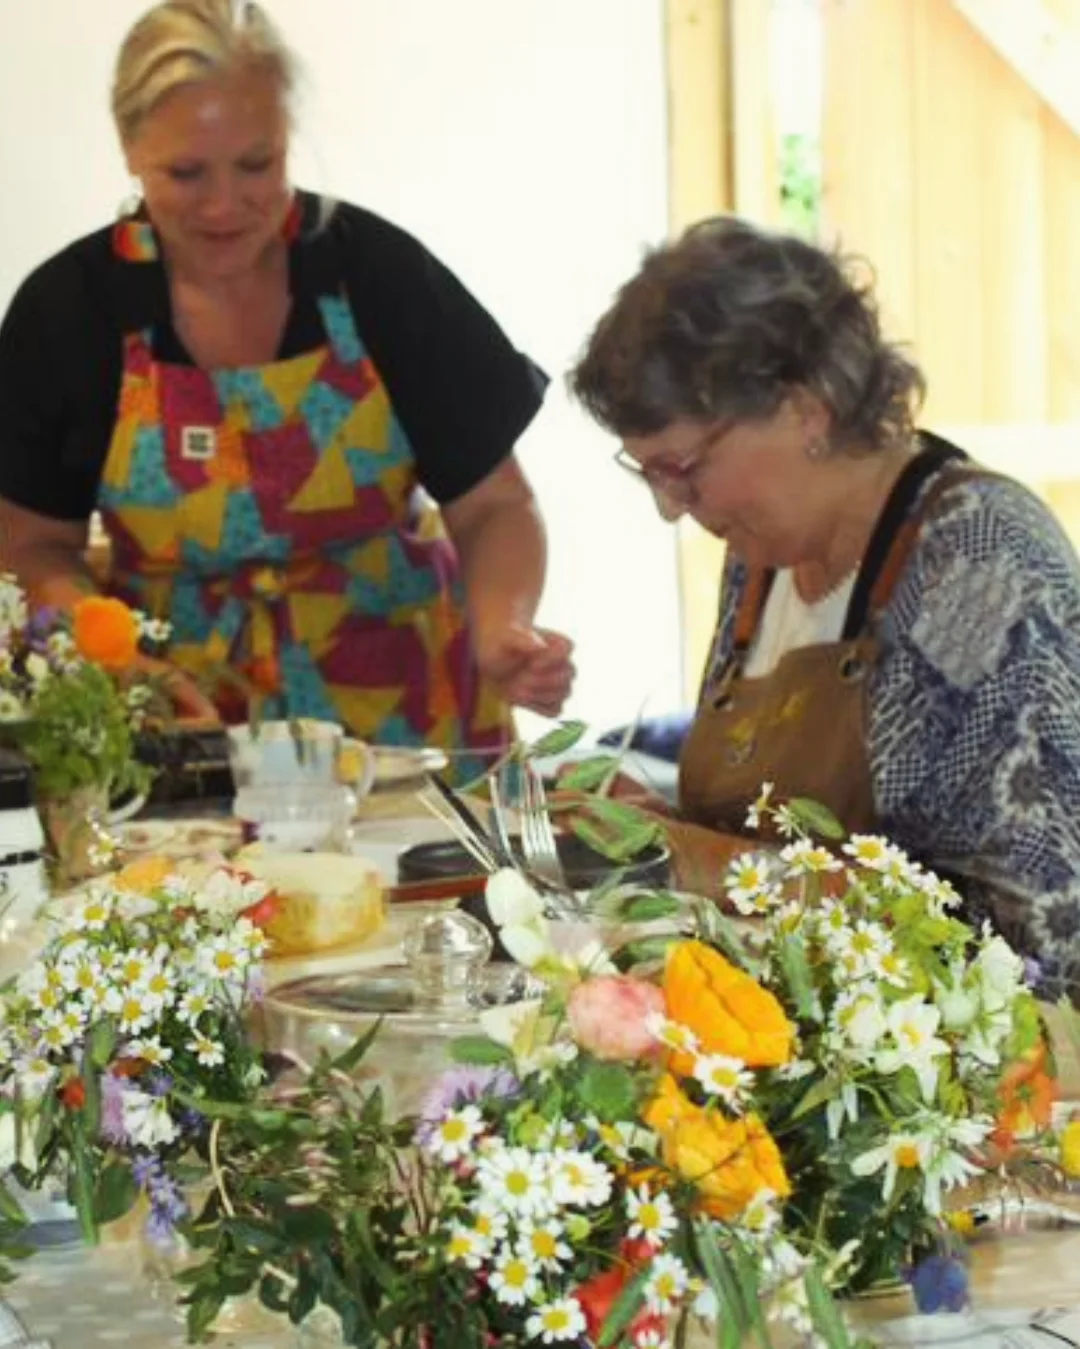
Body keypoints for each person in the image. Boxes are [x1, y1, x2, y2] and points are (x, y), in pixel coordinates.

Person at [0, 0, 573, 779]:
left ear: (287, 138)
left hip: (411, 716)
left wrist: (504, 625)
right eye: (186, 173)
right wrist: (114, 654)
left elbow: (494, 505)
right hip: (181, 728)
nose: (224, 204)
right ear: (130, 148)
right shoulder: (70, 312)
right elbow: (31, 545)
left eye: (256, 164)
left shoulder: (377, 275)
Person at [570, 215, 1080, 999]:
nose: (670, 507)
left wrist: (702, 859)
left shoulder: (978, 561)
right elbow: (773, 827)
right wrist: (656, 821)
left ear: (806, 410)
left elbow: (1036, 945)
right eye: (649, 474)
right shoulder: (760, 559)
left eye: (684, 467)